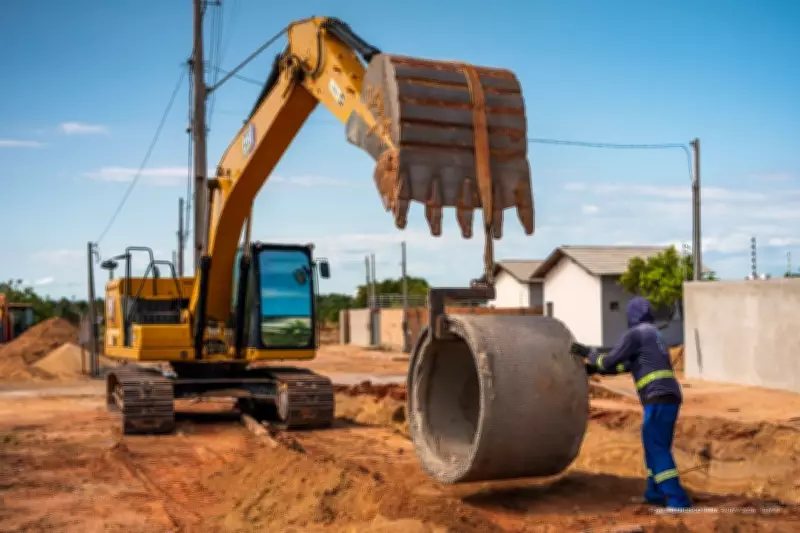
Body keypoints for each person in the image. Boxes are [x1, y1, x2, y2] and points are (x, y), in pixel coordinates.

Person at [571, 296, 692, 509]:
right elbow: (625, 365)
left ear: (631, 316)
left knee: (657, 448)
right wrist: (596, 370)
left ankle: (677, 500)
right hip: (667, 397)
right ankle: (654, 493)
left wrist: (587, 353)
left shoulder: (636, 334)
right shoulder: (655, 335)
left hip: (657, 398)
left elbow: (609, 360)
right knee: (655, 445)